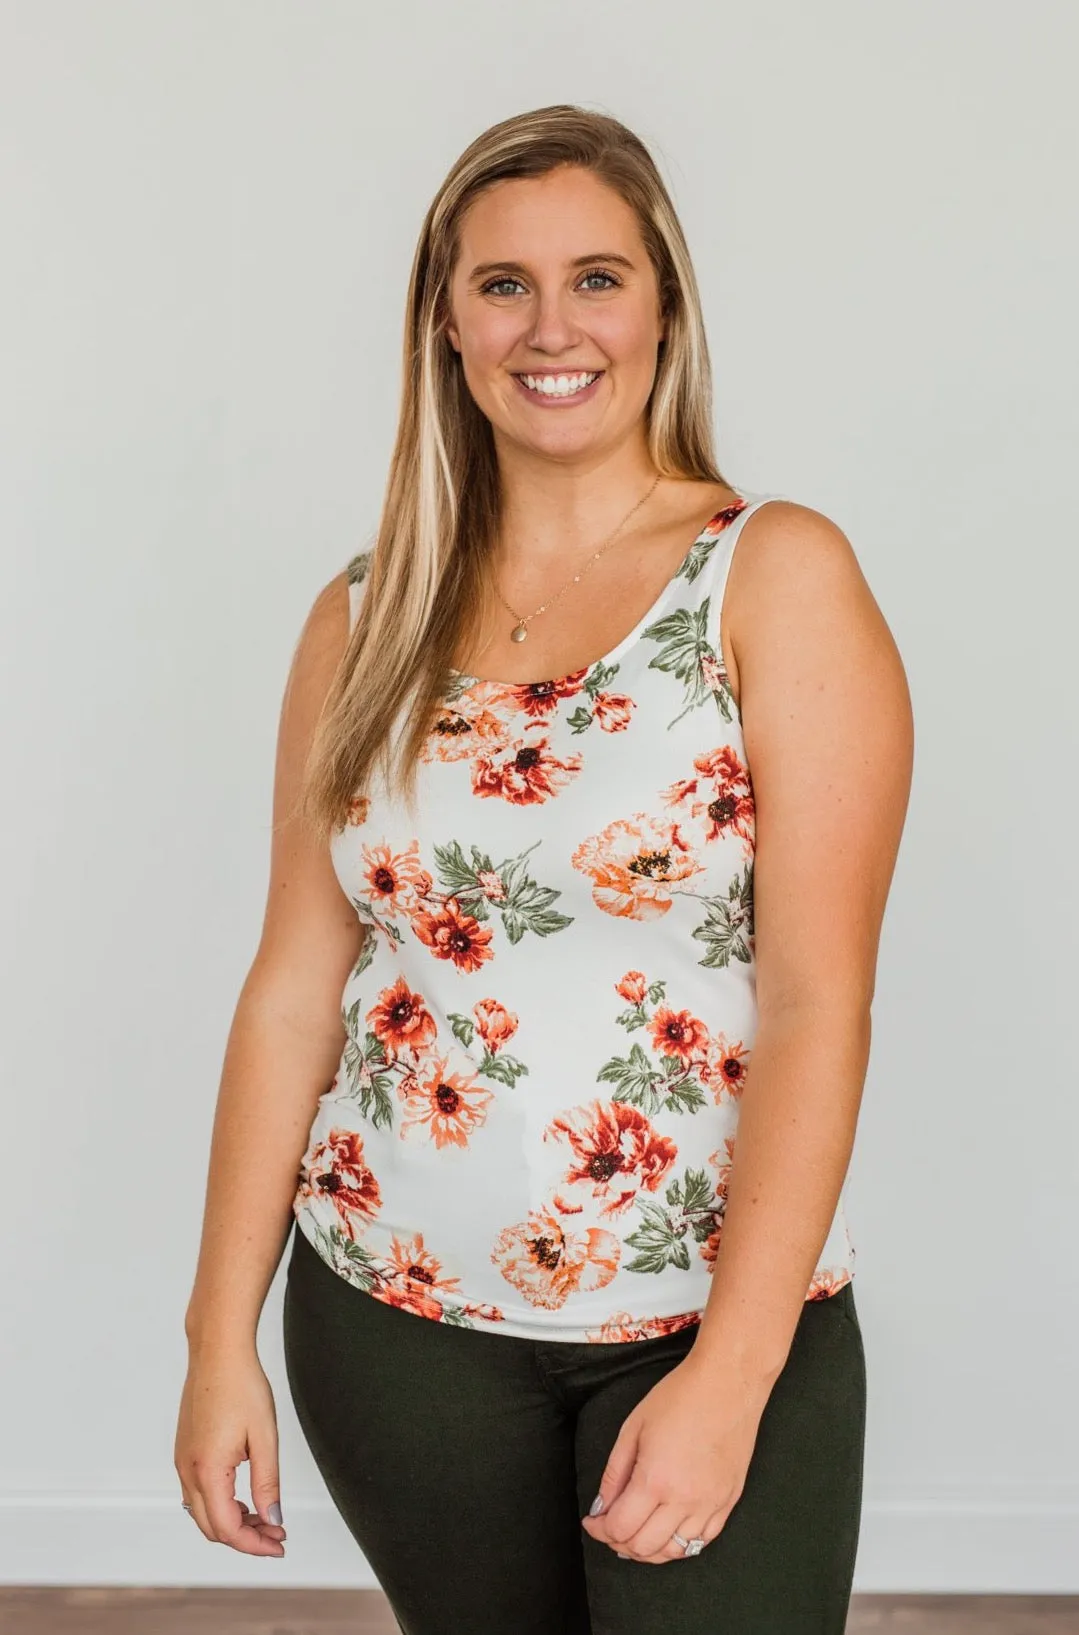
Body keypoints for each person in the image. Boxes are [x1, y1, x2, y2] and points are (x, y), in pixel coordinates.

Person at [174, 104, 913, 1634]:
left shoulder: (773, 574)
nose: (550, 325)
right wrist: (213, 1335)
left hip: (700, 1322)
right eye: (501, 284)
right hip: (396, 1323)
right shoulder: (363, 614)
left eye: (596, 276)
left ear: (662, 308)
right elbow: (291, 993)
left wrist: (733, 1369)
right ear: (444, 322)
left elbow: (817, 996)